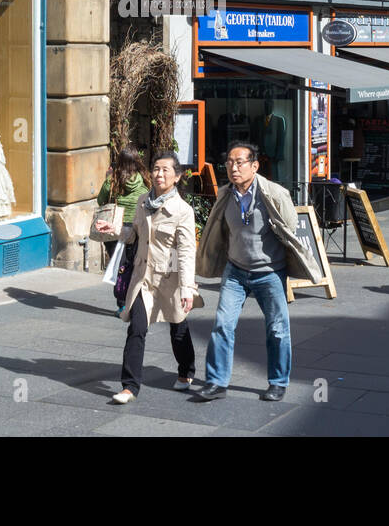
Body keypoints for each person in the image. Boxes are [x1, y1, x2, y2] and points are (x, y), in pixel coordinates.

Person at [194, 140, 322, 402]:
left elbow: (289, 231)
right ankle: (217, 382)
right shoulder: (225, 195)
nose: (233, 167)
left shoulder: (274, 194)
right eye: (229, 162)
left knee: (277, 329)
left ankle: (277, 381)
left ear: (255, 166)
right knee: (222, 325)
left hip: (269, 272)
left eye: (239, 162)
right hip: (236, 271)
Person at [95, 152, 202, 404]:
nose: (159, 174)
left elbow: (186, 251)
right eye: (156, 168)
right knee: (137, 329)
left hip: (171, 279)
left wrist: (187, 288)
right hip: (143, 278)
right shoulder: (144, 201)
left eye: (165, 170)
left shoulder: (182, 211)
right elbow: (134, 234)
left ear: (176, 177)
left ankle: (186, 370)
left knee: (178, 328)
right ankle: (129, 387)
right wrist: (115, 230)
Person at [97, 147, 152, 272]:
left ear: (119, 161)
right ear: (137, 161)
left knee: (119, 269)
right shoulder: (145, 180)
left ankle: (121, 288)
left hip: (115, 228)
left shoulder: (112, 181)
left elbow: (100, 201)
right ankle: (131, 290)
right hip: (137, 228)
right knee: (134, 268)